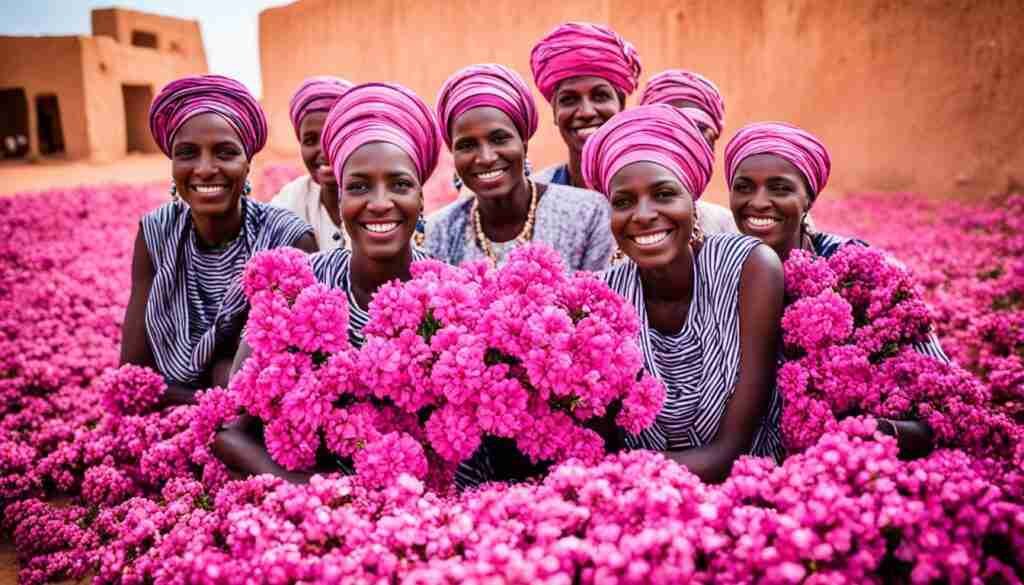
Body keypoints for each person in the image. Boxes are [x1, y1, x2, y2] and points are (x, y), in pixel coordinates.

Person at [215, 83, 491, 487]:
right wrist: (325, 494)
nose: (379, 202)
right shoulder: (297, 285)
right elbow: (229, 430)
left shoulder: (452, 296)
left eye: (399, 184)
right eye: (359, 187)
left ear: (420, 198)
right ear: (339, 197)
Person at [583, 104, 785, 482]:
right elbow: (602, 442)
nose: (642, 215)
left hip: (753, 500)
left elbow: (730, 453)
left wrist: (620, 474)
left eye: (663, 194)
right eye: (623, 202)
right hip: (633, 507)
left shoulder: (751, 269)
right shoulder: (602, 297)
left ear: (692, 204)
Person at [725, 121, 945, 457]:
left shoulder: (859, 269)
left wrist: (874, 432)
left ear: (808, 199)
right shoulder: (717, 271)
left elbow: (941, 403)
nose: (758, 202)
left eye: (780, 188)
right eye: (744, 187)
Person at [120, 75, 315, 406]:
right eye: (187, 153)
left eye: (225, 153)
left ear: (247, 162)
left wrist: (197, 394)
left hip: (251, 430)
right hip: (172, 421)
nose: (205, 169)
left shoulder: (288, 240)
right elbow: (134, 375)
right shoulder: (156, 233)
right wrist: (211, 398)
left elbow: (285, 382)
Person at [426, 63, 613, 270]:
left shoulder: (587, 214)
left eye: (499, 139)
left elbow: (601, 298)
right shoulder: (438, 232)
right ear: (453, 153)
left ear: (523, 142)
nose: (486, 158)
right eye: (467, 145)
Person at [529, 22, 641, 191]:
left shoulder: (650, 191)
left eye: (600, 96)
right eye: (569, 100)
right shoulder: (534, 196)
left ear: (621, 106)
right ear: (554, 112)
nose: (586, 112)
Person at [640, 69, 737, 235]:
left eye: (698, 131)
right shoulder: (622, 223)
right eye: (670, 131)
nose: (686, 144)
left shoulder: (726, 226)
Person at [270, 76, 354, 251]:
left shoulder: (378, 197)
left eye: (332, 137)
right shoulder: (289, 201)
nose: (322, 151)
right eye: (310, 140)